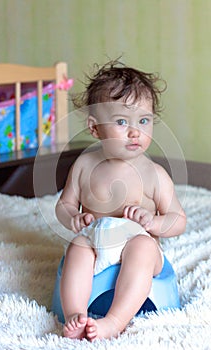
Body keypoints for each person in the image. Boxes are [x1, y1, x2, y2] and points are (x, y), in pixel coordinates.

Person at [55, 60, 186, 341]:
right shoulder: (84, 166)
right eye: (121, 122)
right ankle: (75, 314)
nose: (135, 131)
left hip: (137, 245)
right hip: (95, 242)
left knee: (142, 247)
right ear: (95, 128)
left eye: (143, 120)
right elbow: (64, 205)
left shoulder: (155, 175)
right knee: (78, 247)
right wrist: (74, 218)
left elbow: (178, 221)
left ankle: (113, 322)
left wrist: (153, 222)